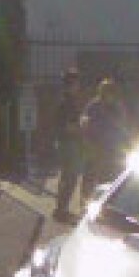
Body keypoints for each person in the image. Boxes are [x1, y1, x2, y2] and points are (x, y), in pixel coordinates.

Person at [80, 78, 129, 204]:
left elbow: (122, 125)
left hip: (113, 148)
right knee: (91, 175)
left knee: (112, 176)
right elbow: (85, 124)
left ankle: (107, 202)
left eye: (111, 92)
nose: (109, 95)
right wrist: (88, 142)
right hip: (96, 146)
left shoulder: (117, 106)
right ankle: (85, 202)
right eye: (106, 92)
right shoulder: (93, 106)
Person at [52, 67, 83, 222]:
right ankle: (61, 209)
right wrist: (82, 126)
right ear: (72, 84)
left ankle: (60, 208)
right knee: (71, 176)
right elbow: (68, 126)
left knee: (66, 176)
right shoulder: (68, 102)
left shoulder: (64, 100)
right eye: (77, 83)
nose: (79, 86)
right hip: (69, 143)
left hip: (64, 142)